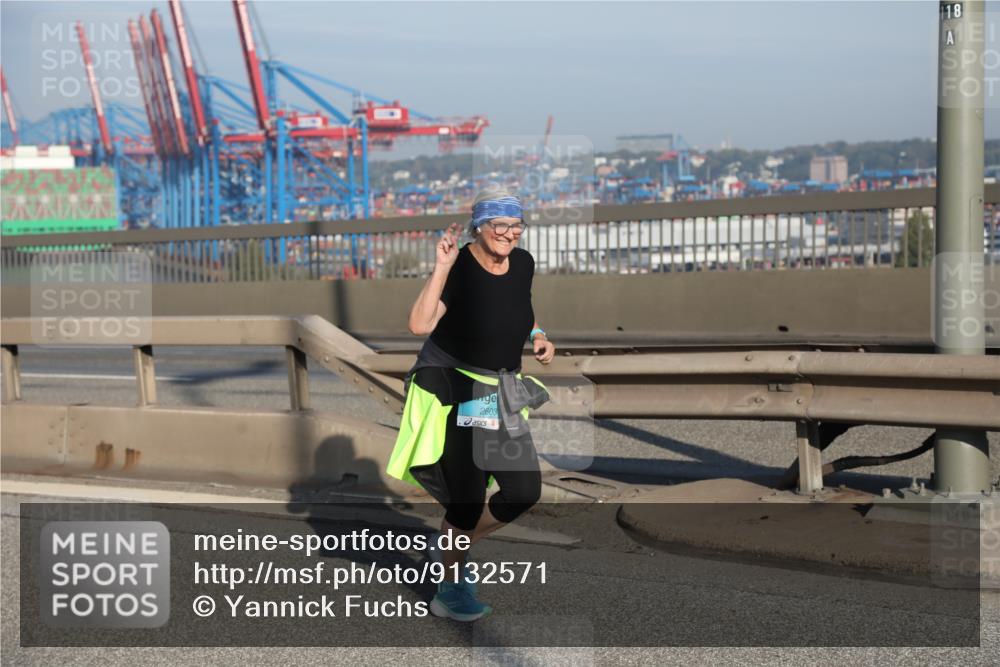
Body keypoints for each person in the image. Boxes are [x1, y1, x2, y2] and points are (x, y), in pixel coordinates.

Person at [386, 187, 556, 622]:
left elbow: (520, 304)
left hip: (500, 390)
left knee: (523, 491)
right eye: (500, 226)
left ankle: (447, 550)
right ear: (479, 228)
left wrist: (537, 334)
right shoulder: (459, 265)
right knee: (466, 499)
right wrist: (441, 268)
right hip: (458, 387)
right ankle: (450, 584)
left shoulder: (523, 263)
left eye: (516, 226)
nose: (509, 235)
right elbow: (418, 324)